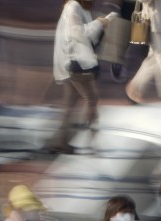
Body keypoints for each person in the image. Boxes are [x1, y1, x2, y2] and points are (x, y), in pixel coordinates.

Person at [47, 0, 115, 154]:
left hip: (72, 61)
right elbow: (77, 33)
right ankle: (93, 142)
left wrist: (102, 24)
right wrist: (98, 23)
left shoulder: (79, 7)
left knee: (70, 103)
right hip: (75, 61)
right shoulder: (73, 6)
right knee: (91, 99)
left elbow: (88, 37)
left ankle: (61, 142)